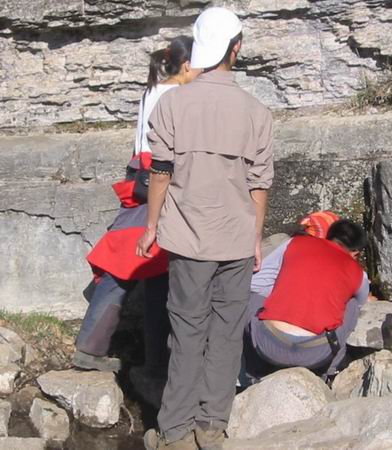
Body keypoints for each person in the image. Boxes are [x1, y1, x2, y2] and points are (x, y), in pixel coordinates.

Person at [137, 7, 273, 450]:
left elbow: (160, 172)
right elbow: (259, 184)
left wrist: (151, 226)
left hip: (189, 239)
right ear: (237, 48)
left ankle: (175, 430)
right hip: (236, 238)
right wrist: (256, 237)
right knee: (227, 332)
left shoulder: (173, 103)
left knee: (187, 331)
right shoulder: (257, 111)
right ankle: (212, 426)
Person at [73, 36, 196, 373]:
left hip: (140, 183)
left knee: (143, 270)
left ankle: (142, 359)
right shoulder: (177, 96)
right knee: (142, 271)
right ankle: (152, 362)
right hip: (158, 186)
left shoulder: (152, 91)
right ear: (187, 65)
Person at [243, 219, 369, 383]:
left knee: (251, 296)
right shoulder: (358, 273)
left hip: (268, 345)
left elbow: (255, 282)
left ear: (328, 236)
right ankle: (330, 371)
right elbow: (361, 303)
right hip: (315, 354)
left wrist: (283, 289)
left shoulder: (295, 243)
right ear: (355, 253)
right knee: (352, 304)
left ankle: (253, 371)